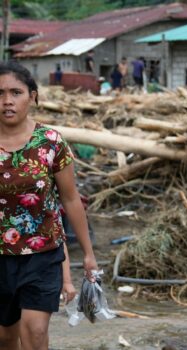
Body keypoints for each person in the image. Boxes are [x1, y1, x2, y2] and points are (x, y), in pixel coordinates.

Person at [0, 61, 97, 350]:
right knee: (5, 337)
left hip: (42, 253)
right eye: (0, 93)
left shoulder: (51, 142)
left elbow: (70, 199)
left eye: (16, 92)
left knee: (36, 333)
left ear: (33, 97)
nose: (7, 100)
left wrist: (89, 254)